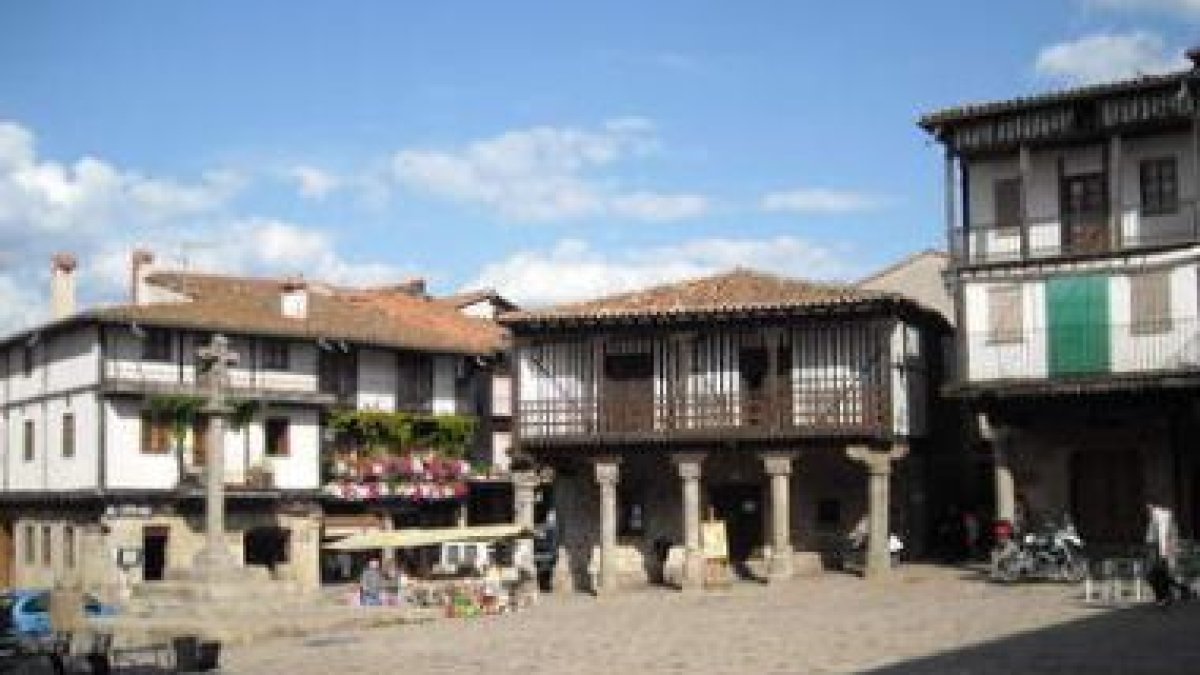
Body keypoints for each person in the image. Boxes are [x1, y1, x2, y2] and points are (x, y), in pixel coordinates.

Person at [1145, 502, 1186, 607]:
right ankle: (1177, 591)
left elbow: (1162, 536)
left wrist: (1163, 554)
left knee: (1155, 575)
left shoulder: (1161, 517)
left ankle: (1165, 597)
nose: (1147, 510)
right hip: (1157, 550)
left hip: (1160, 551)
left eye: (1149, 507)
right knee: (1160, 575)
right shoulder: (1157, 517)